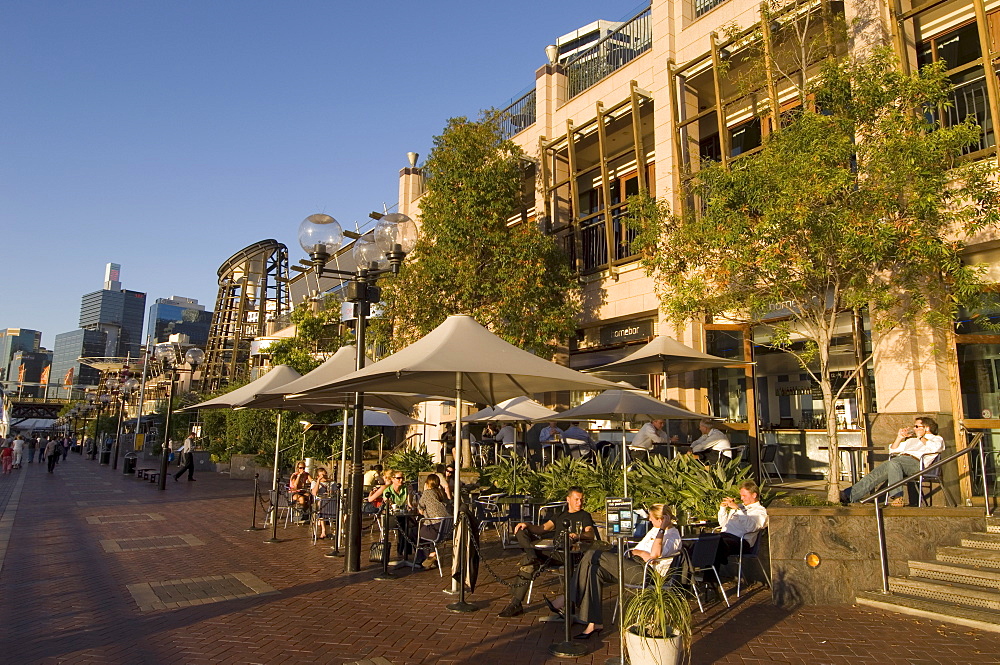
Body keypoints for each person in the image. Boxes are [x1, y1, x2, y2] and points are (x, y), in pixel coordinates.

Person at [551, 504, 682, 639]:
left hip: (646, 573)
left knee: (591, 554)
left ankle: (568, 598)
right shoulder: (654, 530)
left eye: (652, 518)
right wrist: (641, 552)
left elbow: (654, 554)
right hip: (634, 563)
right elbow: (634, 550)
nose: (649, 520)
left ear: (661, 520)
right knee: (594, 570)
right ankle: (594, 623)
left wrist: (661, 531)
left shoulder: (672, 536)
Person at [498, 486, 597, 618]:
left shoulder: (584, 515)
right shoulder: (560, 515)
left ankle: (516, 603)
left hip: (570, 554)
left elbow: (590, 534)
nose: (580, 502)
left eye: (581, 499)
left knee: (528, 562)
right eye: (576, 499)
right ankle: (532, 555)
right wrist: (526, 525)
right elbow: (541, 529)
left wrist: (578, 535)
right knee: (521, 531)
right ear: (568, 499)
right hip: (553, 552)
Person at [841, 416, 944, 507]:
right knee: (875, 474)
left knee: (894, 463)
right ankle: (849, 495)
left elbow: (935, 448)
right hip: (900, 460)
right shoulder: (912, 440)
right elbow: (893, 450)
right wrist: (899, 437)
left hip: (917, 463)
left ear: (926, 428)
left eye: (917, 426)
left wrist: (921, 437)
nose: (914, 429)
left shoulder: (936, 439)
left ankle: (897, 497)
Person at [716, 480, 768, 570]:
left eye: (744, 495)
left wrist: (737, 510)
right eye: (741, 495)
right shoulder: (740, 507)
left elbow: (750, 527)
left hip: (741, 541)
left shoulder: (760, 511)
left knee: (716, 545)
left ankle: (710, 579)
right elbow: (724, 524)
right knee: (703, 540)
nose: (742, 498)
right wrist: (723, 509)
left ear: (754, 495)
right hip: (724, 536)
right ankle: (701, 578)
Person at [367, 469, 415, 565]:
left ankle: (405, 552)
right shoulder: (387, 490)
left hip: (402, 516)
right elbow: (388, 504)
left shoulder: (405, 489)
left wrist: (410, 493)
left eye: (402, 478)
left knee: (412, 526)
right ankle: (402, 552)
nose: (401, 480)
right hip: (390, 517)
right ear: (392, 479)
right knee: (405, 526)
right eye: (398, 478)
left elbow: (410, 505)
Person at [413, 473, 451, 570]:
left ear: (427, 483)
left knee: (417, 532)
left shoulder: (427, 493)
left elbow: (420, 509)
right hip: (446, 529)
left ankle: (427, 556)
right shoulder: (440, 492)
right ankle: (432, 555)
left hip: (435, 529)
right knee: (427, 531)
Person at [311, 467, 334, 539]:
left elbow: (335, 493)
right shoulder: (314, 482)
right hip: (321, 504)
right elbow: (314, 493)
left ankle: (337, 529)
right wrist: (318, 481)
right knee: (321, 504)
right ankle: (323, 530)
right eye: (322, 475)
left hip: (331, 502)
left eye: (325, 475)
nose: (324, 477)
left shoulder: (332, 483)